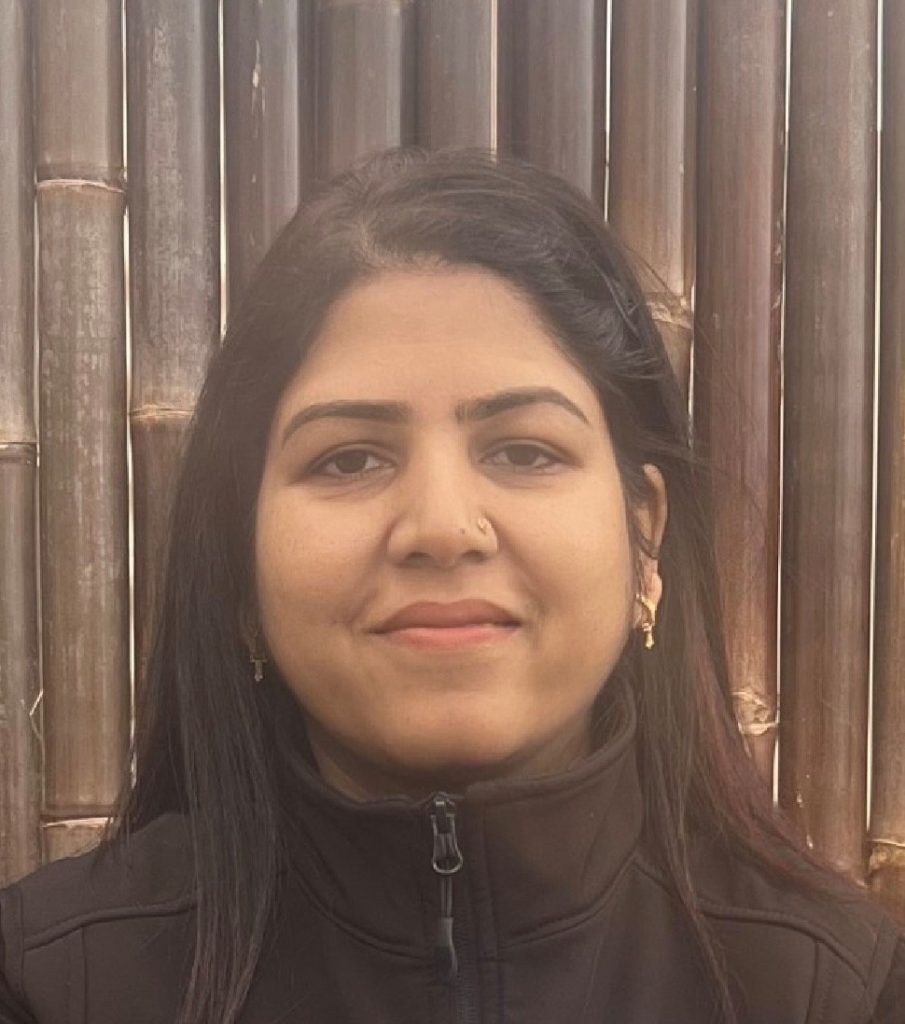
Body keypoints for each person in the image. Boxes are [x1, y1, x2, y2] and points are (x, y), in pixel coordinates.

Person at [1, 147, 902, 1024]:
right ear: (240, 569)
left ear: (644, 537)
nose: (439, 526)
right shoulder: (55, 984)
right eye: (348, 459)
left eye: (523, 450)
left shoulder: (835, 990)